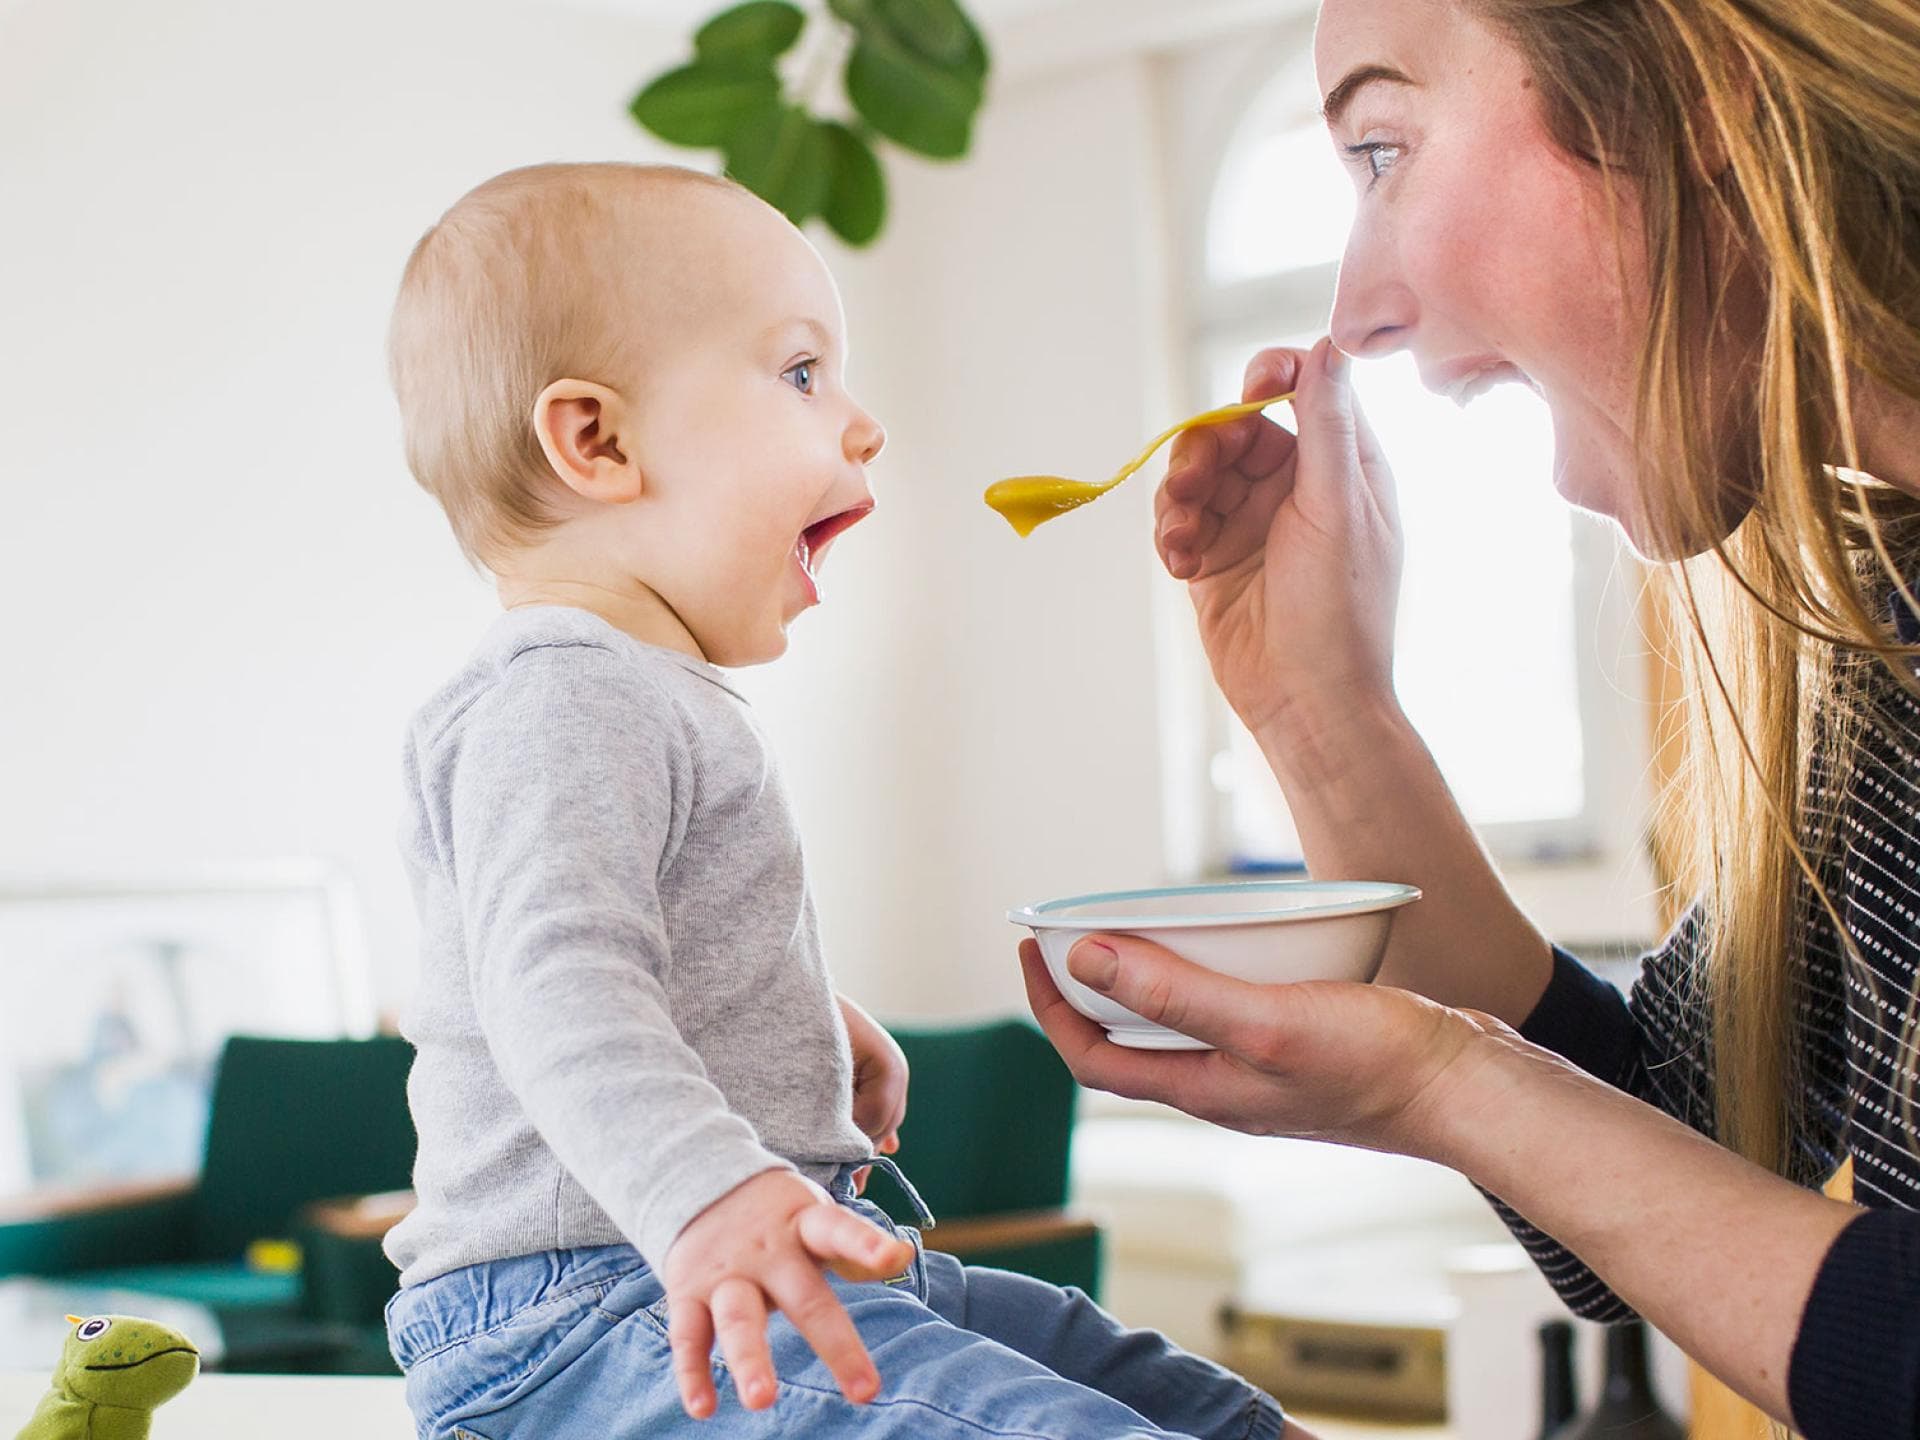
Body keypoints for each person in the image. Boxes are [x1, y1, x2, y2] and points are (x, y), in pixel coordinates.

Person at [1021, 2, 1920, 1436]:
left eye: (1384, 150)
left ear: (1700, 101)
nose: (1356, 309)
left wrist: (1450, 1086)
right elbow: (1673, 1152)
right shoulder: (1896, 629)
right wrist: (1324, 711)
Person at [380, 161, 1292, 1440]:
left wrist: (788, 1016)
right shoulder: (562, 697)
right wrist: (709, 1193)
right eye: (803, 374)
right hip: (584, 1312)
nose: (862, 425)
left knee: (1170, 1400)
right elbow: (555, 988)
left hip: (729, 1263)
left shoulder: (638, 690)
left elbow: (628, 947)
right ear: (598, 441)